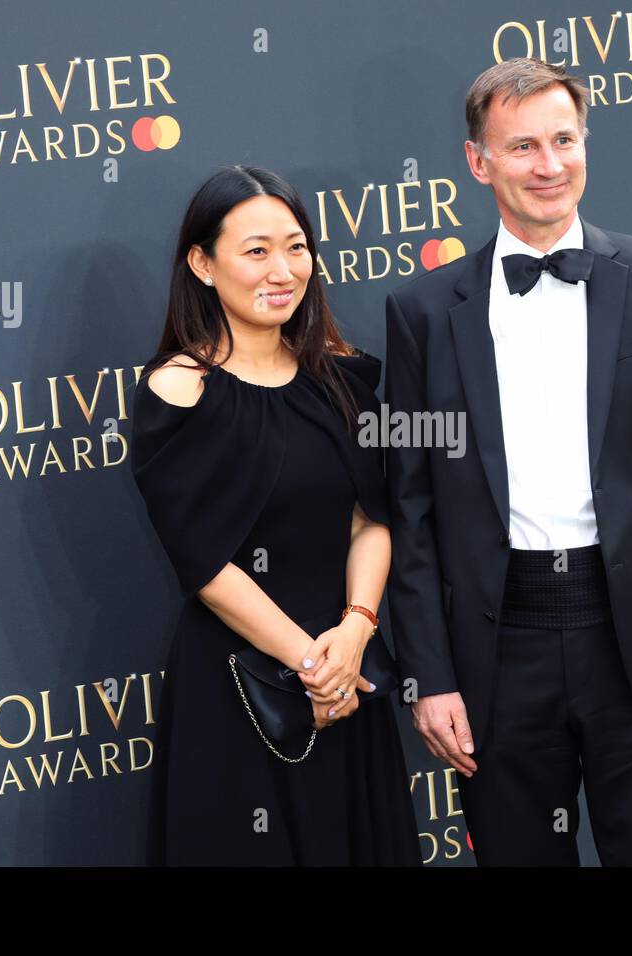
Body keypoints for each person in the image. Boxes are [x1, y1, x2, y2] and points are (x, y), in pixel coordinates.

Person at [383, 58, 632, 866]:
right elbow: (409, 508)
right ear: (478, 162)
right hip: (496, 649)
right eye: (522, 148)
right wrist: (431, 675)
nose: (550, 166)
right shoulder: (421, 313)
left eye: (564, 140)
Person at [129, 165, 421, 866]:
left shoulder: (339, 376)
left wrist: (355, 631)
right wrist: (309, 665)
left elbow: (371, 519)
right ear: (203, 263)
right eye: (256, 250)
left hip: (348, 673)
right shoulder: (180, 391)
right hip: (241, 685)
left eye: (296, 247)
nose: (282, 269)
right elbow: (203, 562)